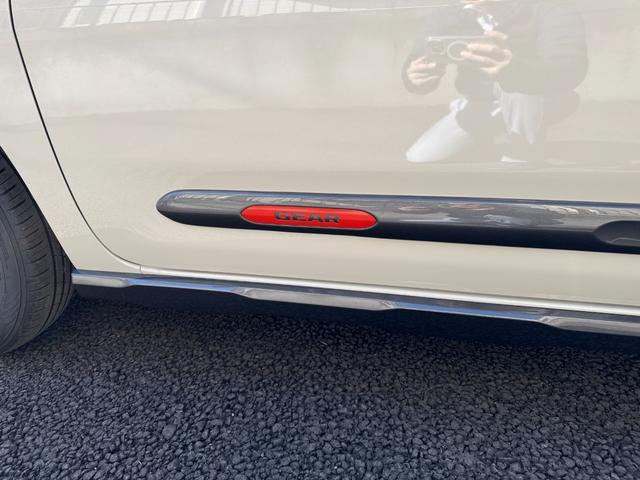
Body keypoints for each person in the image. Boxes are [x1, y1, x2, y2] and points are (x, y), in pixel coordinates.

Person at [403, 0, 588, 164]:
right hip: (483, 101)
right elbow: (419, 57)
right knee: (420, 156)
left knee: (515, 89)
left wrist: (513, 68)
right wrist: (416, 77)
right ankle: (485, 126)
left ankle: (524, 150)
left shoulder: (550, 10)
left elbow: (569, 68)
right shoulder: (448, 15)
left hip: (535, 96)